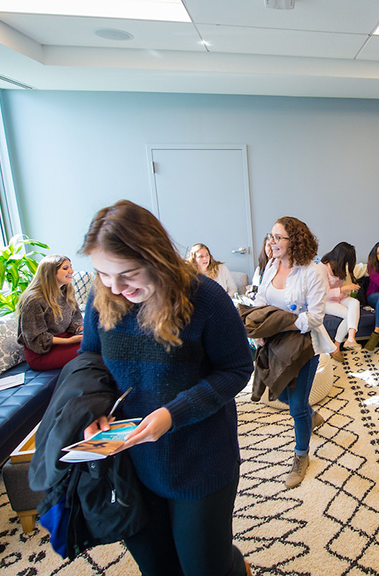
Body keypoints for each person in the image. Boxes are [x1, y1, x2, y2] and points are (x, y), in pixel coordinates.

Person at [80, 200, 254, 576]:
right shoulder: (101, 298)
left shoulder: (206, 298)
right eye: (103, 274)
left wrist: (173, 414)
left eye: (127, 274)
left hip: (200, 461)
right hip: (129, 463)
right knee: (158, 568)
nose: (115, 287)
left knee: (206, 568)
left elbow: (238, 368)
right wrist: (94, 407)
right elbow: (90, 361)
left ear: (156, 257)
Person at [254, 216, 336, 488]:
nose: (272, 242)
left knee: (296, 406)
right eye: (271, 236)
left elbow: (315, 317)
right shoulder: (271, 265)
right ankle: (311, 415)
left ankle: (301, 456)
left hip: (303, 344)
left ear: (294, 241)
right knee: (282, 395)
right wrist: (260, 330)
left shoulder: (313, 272)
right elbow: (261, 301)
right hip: (275, 343)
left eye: (278, 238)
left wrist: (282, 324)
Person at [16, 255, 83, 370]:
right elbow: (36, 339)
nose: (71, 271)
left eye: (70, 267)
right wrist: (70, 341)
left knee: (102, 339)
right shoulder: (34, 300)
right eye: (65, 268)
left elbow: (75, 321)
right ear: (50, 273)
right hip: (42, 352)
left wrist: (87, 330)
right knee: (94, 349)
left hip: (63, 340)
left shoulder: (66, 291)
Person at [320, 242, 360, 362]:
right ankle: (336, 346)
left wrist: (348, 290)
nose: (347, 265)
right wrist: (346, 288)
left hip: (339, 298)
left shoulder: (340, 265)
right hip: (326, 301)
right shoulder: (322, 268)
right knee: (348, 315)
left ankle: (351, 338)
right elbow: (325, 292)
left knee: (355, 303)